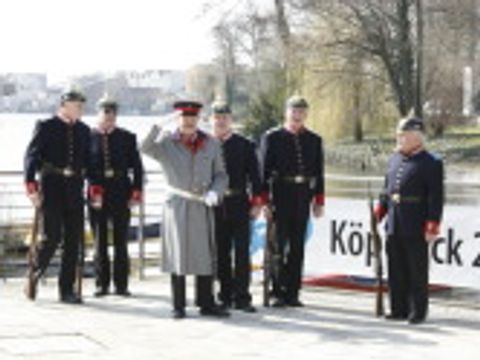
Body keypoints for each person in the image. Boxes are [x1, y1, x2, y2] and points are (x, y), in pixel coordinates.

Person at [141, 100, 230, 319]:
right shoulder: (167, 143)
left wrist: (215, 192)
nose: (189, 123)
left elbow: (221, 174)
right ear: (178, 120)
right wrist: (158, 126)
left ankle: (206, 302)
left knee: (205, 255)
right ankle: (178, 305)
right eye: (184, 118)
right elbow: (144, 147)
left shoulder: (210, 143)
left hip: (202, 204)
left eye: (192, 119)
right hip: (178, 205)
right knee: (177, 255)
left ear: (198, 120)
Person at [375, 116, 444, 325]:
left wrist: (432, 224)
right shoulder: (395, 159)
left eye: (403, 136)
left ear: (417, 138)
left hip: (416, 221)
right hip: (395, 221)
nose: (399, 139)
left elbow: (436, 196)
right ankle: (398, 308)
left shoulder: (431, 163)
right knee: (395, 268)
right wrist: (379, 211)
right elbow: (387, 189)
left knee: (416, 269)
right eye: (399, 135)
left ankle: (417, 310)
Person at [24, 90, 90, 304]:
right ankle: (33, 273)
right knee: (51, 238)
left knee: (73, 242)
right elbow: (31, 157)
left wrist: (95, 186)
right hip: (52, 188)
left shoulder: (84, 130)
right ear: (65, 105)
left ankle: (66, 289)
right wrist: (31, 187)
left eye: (82, 105)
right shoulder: (46, 126)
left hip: (75, 189)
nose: (81, 109)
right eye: (77, 105)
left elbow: (89, 161)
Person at [260, 95, 325, 307]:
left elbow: (319, 173)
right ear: (286, 113)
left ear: (306, 115)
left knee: (298, 247)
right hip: (280, 194)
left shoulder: (314, 140)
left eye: (301, 113)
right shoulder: (273, 137)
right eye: (294, 112)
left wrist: (319, 200)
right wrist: (264, 202)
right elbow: (264, 173)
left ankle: (293, 292)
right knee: (278, 246)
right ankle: (277, 290)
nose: (297, 117)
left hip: (303, 195)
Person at [88, 96, 144, 297]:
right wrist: (93, 187)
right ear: (98, 114)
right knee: (99, 241)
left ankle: (122, 285)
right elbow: (84, 167)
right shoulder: (88, 136)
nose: (109, 118)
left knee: (121, 241)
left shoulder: (127, 137)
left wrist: (136, 192)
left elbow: (137, 167)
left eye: (112, 114)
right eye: (105, 114)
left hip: (121, 191)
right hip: (97, 191)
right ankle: (101, 284)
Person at [210, 101, 263, 313]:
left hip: (240, 203)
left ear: (231, 120)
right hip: (216, 205)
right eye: (217, 118)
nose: (221, 121)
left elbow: (255, 176)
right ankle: (224, 295)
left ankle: (243, 297)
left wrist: (257, 202)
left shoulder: (245, 144)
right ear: (211, 120)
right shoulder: (206, 144)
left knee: (242, 252)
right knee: (221, 252)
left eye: (225, 118)